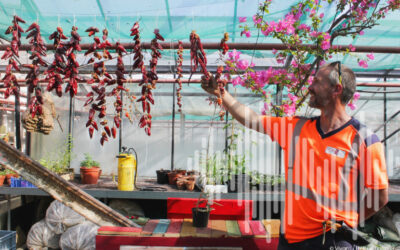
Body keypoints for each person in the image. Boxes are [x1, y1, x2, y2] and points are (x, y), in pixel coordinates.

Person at [201, 61, 388, 249]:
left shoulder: (364, 140)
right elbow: (252, 119)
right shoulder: (297, 128)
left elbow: (379, 196)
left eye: (317, 82)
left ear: (336, 89)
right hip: (291, 239)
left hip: (331, 241)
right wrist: (221, 94)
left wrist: (349, 220)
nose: (310, 86)